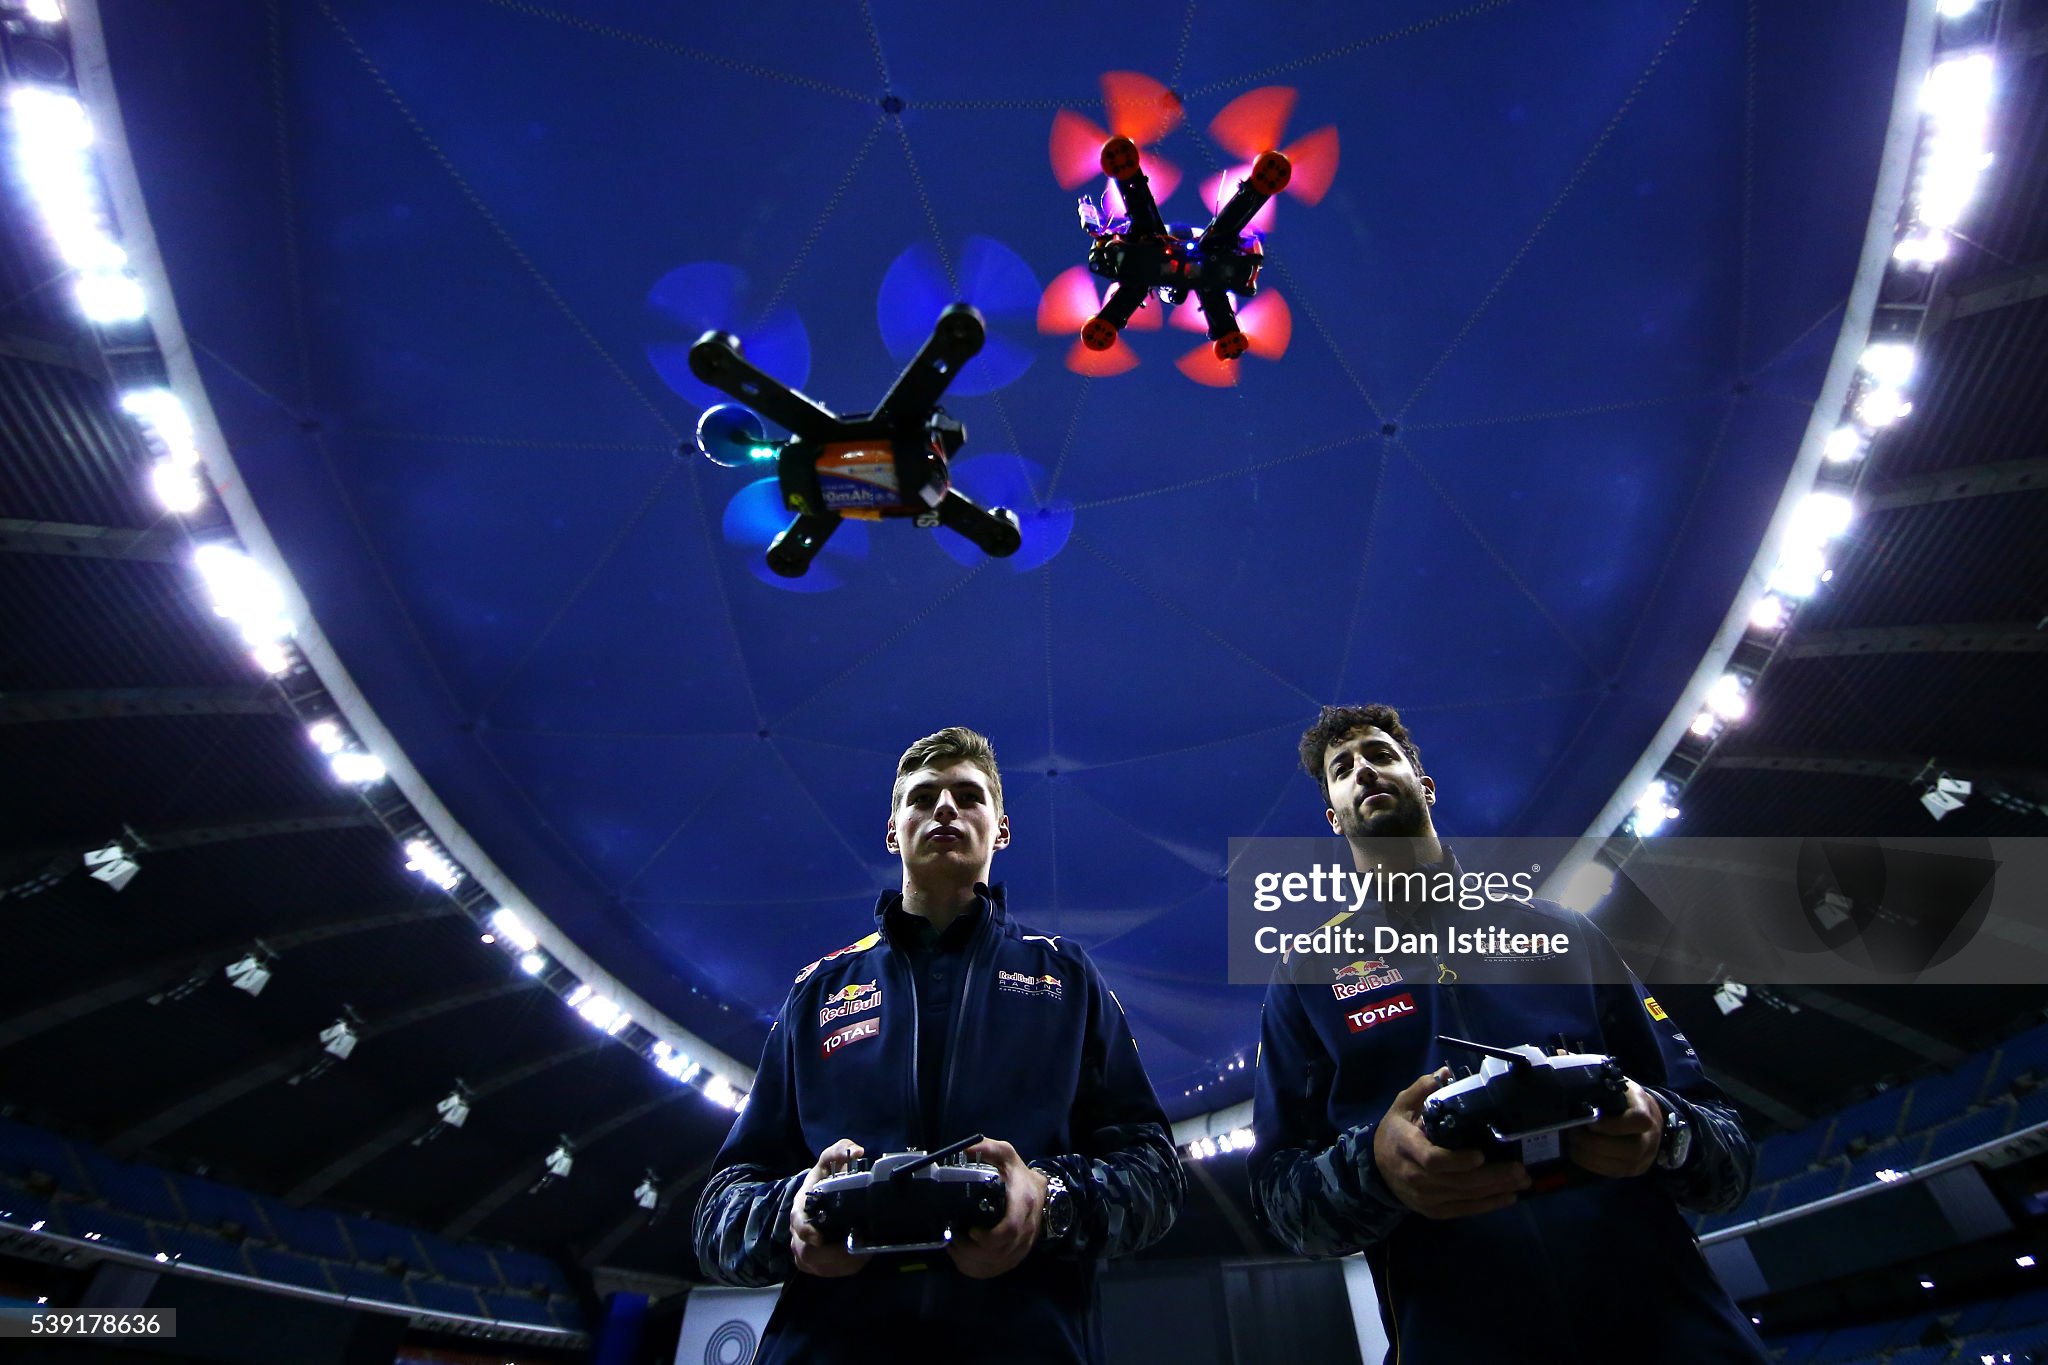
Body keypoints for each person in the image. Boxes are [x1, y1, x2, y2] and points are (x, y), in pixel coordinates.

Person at [1249, 704, 1771, 1363]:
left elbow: (1729, 1157)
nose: (1364, 771)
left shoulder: (1565, 932)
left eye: (1380, 754)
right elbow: (1280, 1201)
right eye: (1342, 769)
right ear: (1334, 817)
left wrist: (1663, 1128)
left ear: (1423, 781)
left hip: (1676, 1337)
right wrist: (1375, 1168)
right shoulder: (1306, 976)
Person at [694, 726, 1184, 1364]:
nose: (945, 809)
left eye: (968, 795)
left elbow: (1156, 1173)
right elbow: (719, 1209)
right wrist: (795, 1212)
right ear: (893, 830)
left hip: (1027, 1343)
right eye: (923, 798)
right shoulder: (818, 992)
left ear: (1001, 830)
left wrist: (1047, 1202)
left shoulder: (1066, 978)